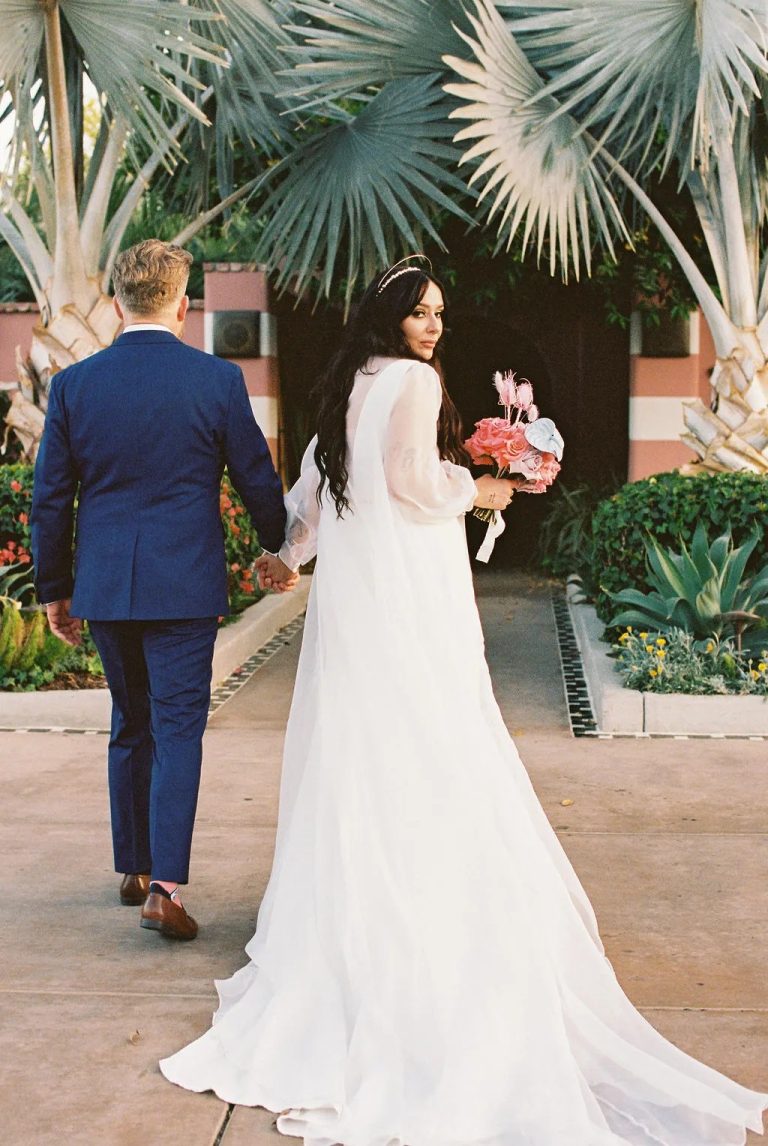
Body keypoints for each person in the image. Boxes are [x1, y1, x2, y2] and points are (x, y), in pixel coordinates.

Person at [160, 260, 767, 1142]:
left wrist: (288, 558)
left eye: (440, 313)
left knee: (363, 744)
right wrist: (480, 487)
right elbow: (412, 483)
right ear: (390, 315)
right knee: (434, 730)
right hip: (408, 584)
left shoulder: (350, 382)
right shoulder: (410, 380)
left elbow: (319, 495)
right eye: (420, 311)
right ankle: (429, 908)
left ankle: (352, 913)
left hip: (355, 597)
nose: (434, 326)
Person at [30, 239, 289, 942]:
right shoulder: (216, 381)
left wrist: (55, 589)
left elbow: (49, 499)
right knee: (177, 729)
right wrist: (279, 547)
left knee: (130, 721)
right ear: (183, 305)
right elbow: (257, 479)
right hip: (183, 588)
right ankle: (166, 889)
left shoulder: (76, 386)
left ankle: (136, 867)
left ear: (117, 304)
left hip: (107, 587)